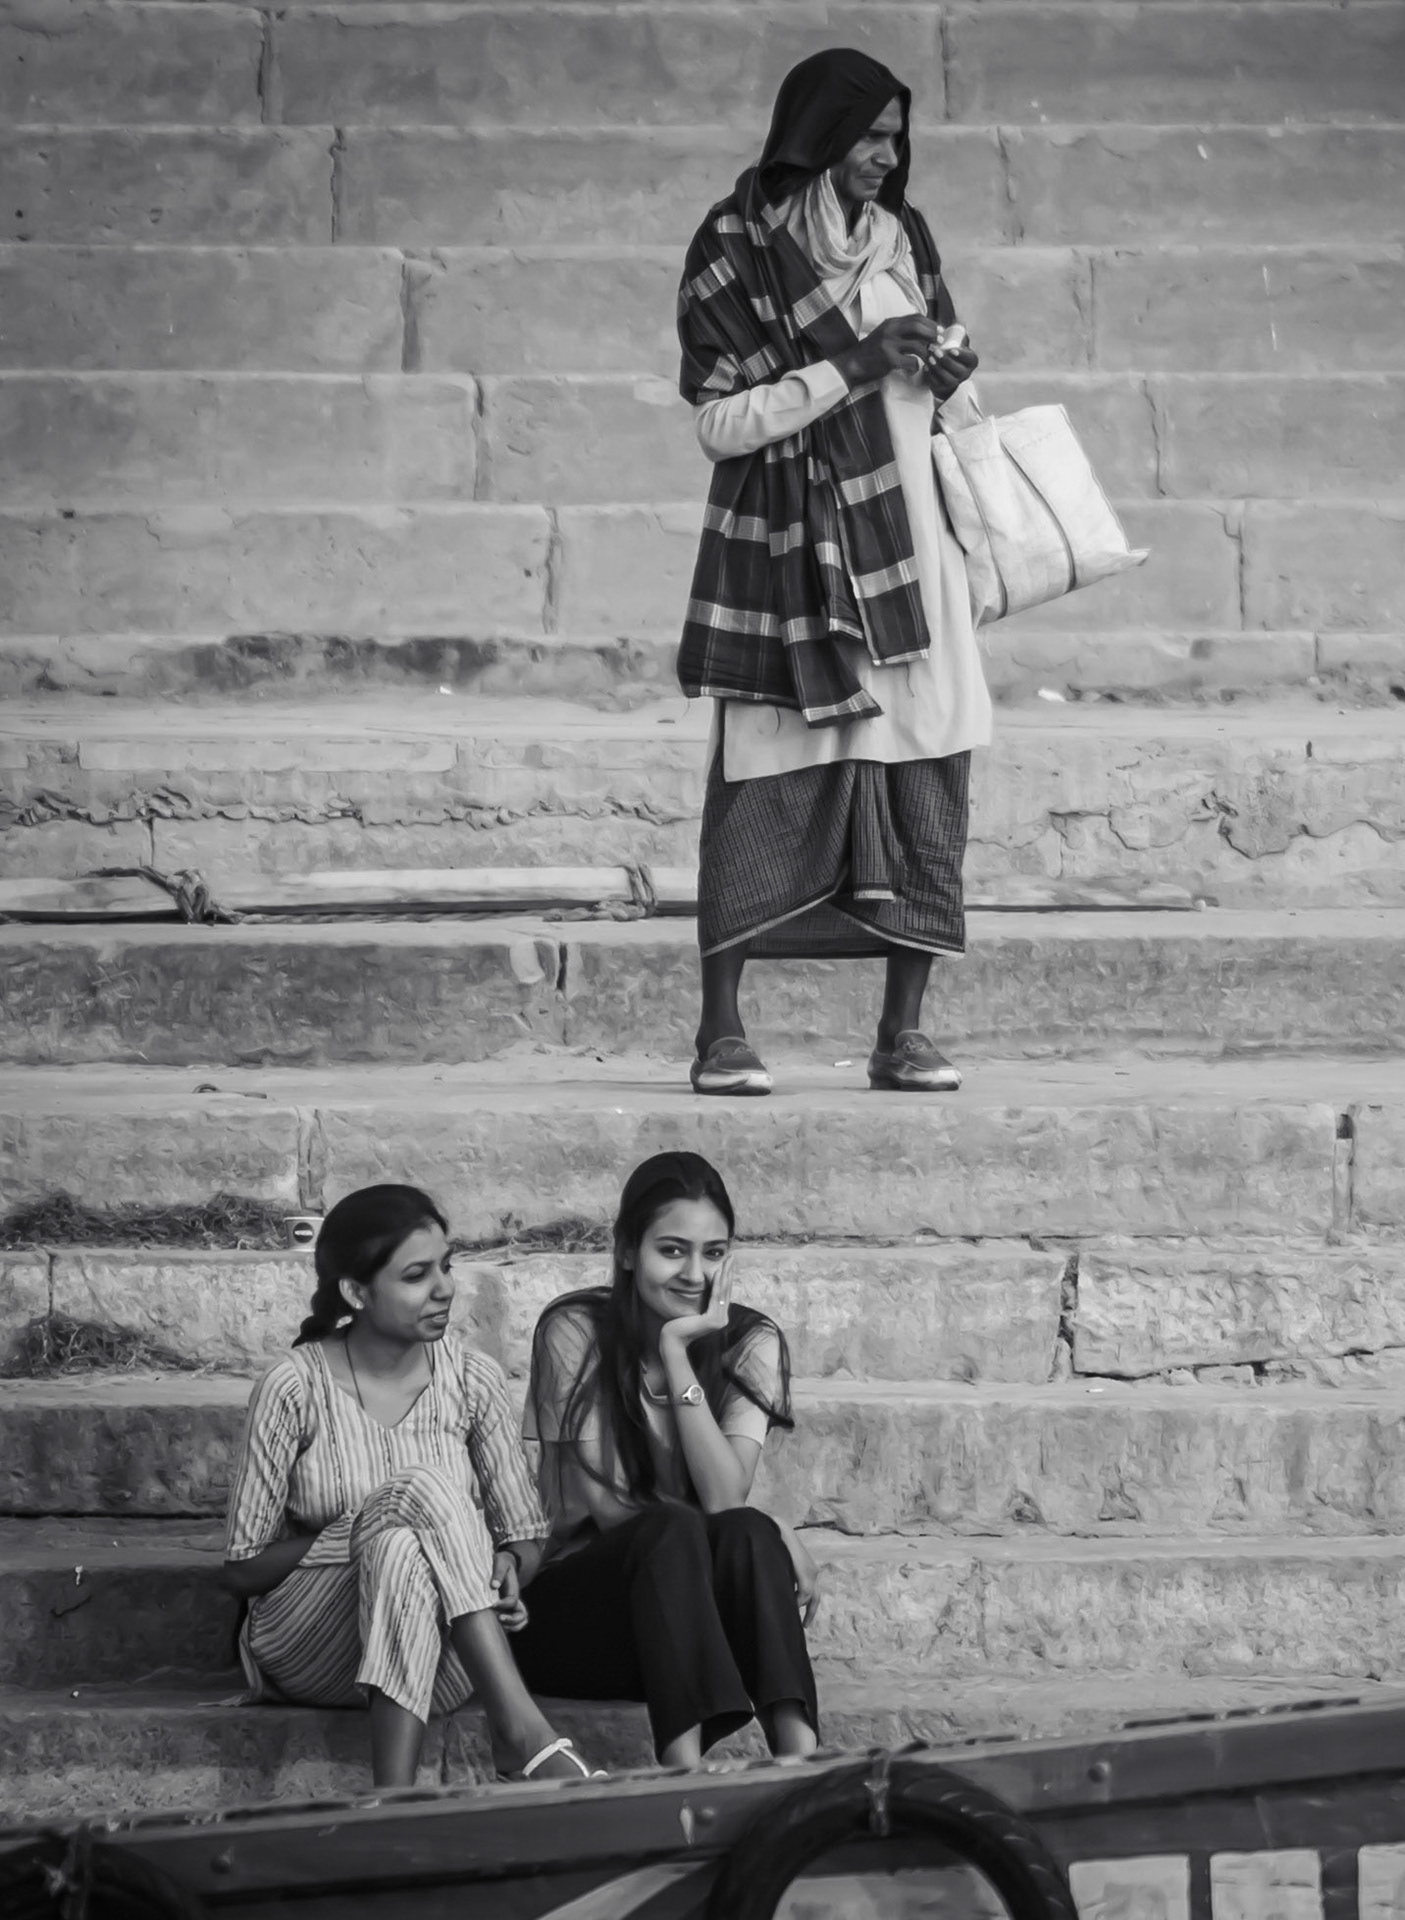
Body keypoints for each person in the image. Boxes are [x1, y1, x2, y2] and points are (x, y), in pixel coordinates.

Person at [675, 46, 989, 1098]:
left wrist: (945, 376)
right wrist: (854, 364)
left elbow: (941, 406)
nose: (888, 158)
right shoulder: (736, 247)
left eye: (898, 139)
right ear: (819, 136)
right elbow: (721, 421)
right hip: (790, 562)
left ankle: (902, 1035)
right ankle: (722, 1031)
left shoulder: (908, 240)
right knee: (763, 776)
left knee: (926, 771)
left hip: (913, 567)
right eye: (871, 137)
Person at [221, 1185, 601, 1788]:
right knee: (412, 1503)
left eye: (446, 1266)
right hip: (312, 1647)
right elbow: (242, 1568)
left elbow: (529, 1538)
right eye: (418, 1275)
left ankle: (392, 1802)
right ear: (356, 1292)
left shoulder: (472, 1378)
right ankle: (521, 1730)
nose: (445, 1288)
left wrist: (507, 1565)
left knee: (403, 1549)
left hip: (445, 1653)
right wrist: (365, 1527)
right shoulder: (293, 1388)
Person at [513, 1152, 820, 1768]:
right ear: (627, 1250)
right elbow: (605, 1506)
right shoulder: (574, 1330)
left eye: (713, 1253)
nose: (695, 1274)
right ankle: (682, 1771)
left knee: (747, 1529)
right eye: (673, 1251)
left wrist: (678, 1355)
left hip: (695, 1629)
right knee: (676, 1527)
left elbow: (726, 1501)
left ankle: (801, 1761)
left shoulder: (750, 1341)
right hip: (580, 1622)